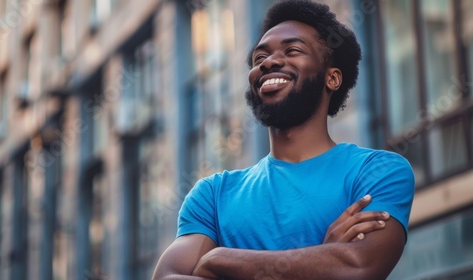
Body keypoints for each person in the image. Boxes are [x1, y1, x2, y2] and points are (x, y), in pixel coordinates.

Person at [153, 0, 415, 279]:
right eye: (259, 58)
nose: (269, 62)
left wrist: (221, 259)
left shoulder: (378, 172)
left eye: (293, 50)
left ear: (333, 78)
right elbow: (167, 277)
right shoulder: (213, 194)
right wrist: (321, 258)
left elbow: (358, 266)